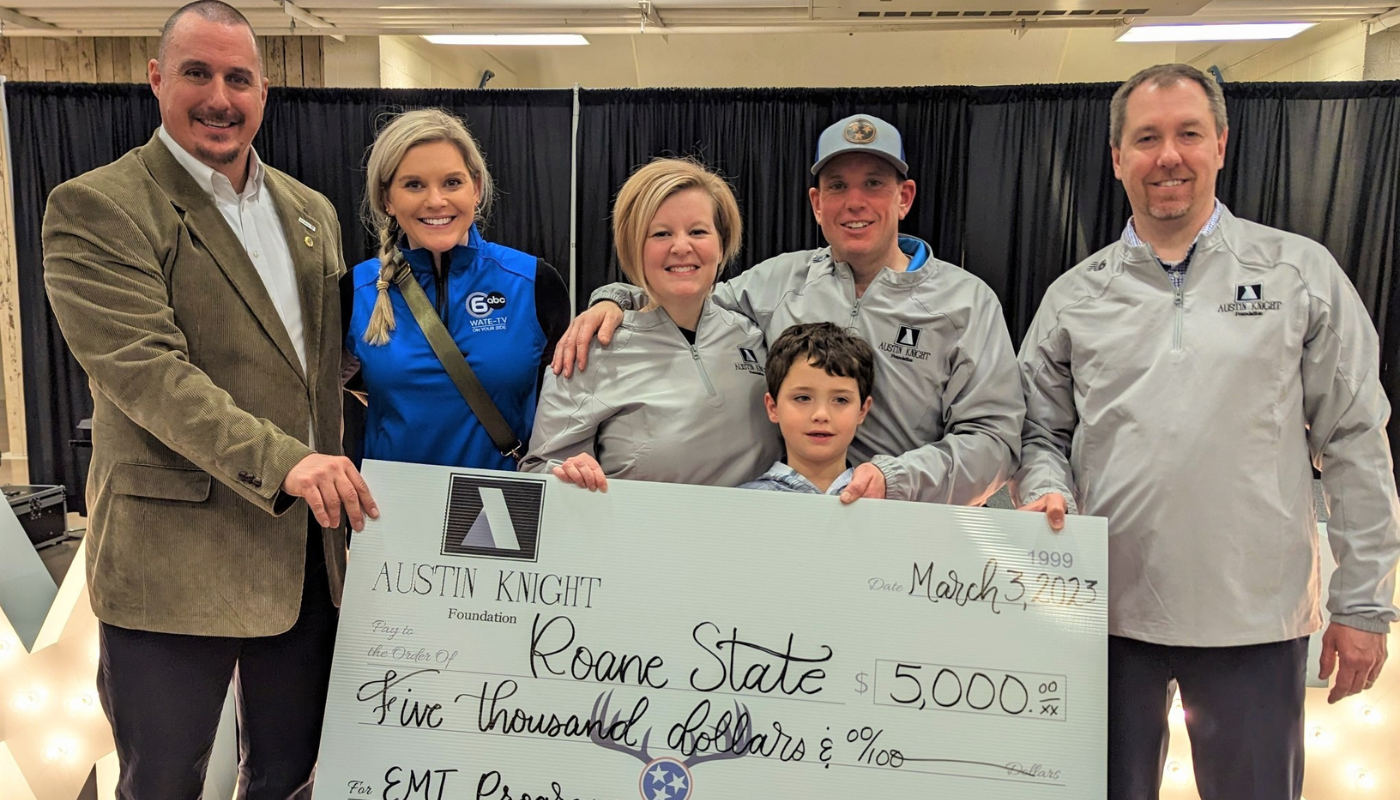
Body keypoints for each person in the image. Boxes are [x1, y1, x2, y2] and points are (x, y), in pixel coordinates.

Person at [1013, 63, 1400, 800]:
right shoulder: (1075, 295)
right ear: (1117, 157)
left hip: (1254, 618)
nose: (1168, 156)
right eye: (1147, 138)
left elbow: (1354, 438)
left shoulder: (1300, 274)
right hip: (1108, 617)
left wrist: (1363, 603)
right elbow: (1039, 432)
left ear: (1221, 145)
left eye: (1188, 134)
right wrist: (1046, 490)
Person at [41, 2, 376, 797]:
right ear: (156, 78)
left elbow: (329, 365)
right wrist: (289, 461)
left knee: (291, 775)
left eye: (238, 78)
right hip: (171, 563)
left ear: (265, 93)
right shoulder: (100, 206)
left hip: (301, 560)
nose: (219, 97)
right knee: (162, 780)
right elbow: (149, 374)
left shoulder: (309, 211)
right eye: (197, 73)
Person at [554, 114, 1022, 506]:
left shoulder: (966, 302)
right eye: (837, 186)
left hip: (907, 536)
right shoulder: (776, 282)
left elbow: (995, 440)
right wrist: (615, 296)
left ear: (904, 197)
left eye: (874, 184)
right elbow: (686, 297)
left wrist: (894, 481)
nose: (854, 201)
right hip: (786, 529)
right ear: (817, 204)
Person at [520, 158, 780, 489]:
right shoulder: (590, 350)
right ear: (633, 247)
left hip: (756, 536)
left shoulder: (755, 337)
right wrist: (568, 475)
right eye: (661, 233)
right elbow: (537, 471)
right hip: (638, 538)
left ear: (722, 242)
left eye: (698, 231)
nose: (682, 247)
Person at [344, 108, 569, 469]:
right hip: (393, 509)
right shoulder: (355, 291)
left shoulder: (532, 283)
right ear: (387, 198)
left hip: (502, 509)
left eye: (452, 182)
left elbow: (571, 406)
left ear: (476, 188)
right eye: (413, 184)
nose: (435, 201)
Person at [742, 322, 875, 495]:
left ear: (862, 410)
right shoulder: (741, 504)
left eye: (841, 400)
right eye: (803, 398)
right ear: (773, 407)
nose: (821, 415)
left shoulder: (889, 505)